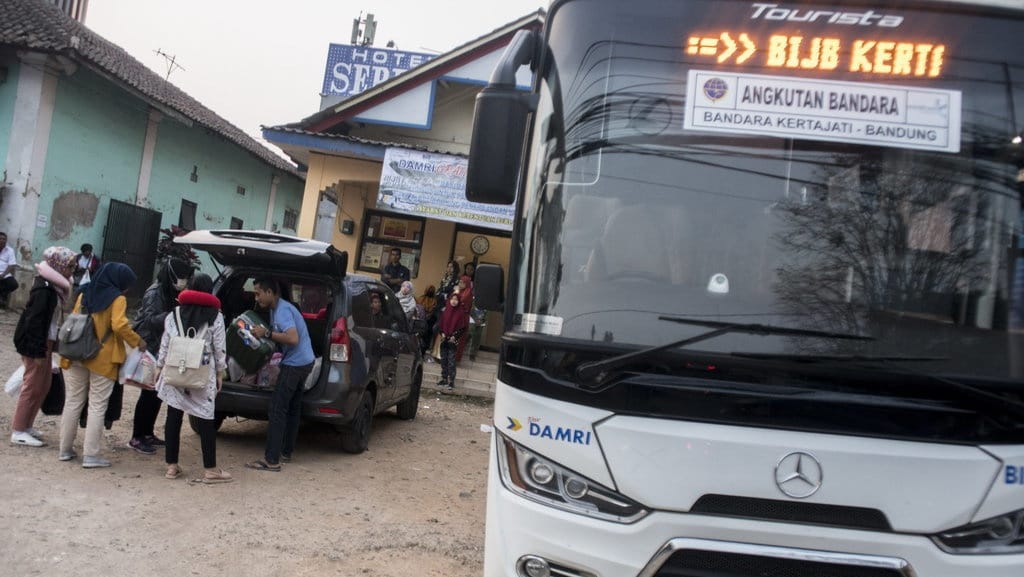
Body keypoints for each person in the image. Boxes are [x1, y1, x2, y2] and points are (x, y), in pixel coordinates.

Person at [59, 262, 145, 468]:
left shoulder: (84, 292)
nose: (126, 289)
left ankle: (65, 449)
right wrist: (137, 341)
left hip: (77, 352)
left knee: (72, 402)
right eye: (126, 284)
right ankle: (91, 455)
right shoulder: (117, 298)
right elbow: (119, 325)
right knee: (97, 405)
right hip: (102, 357)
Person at [156, 274, 231, 483]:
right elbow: (220, 348)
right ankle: (211, 470)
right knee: (206, 418)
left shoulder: (175, 313)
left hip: (176, 370)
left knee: (173, 413)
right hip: (202, 373)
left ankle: (171, 466)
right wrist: (220, 373)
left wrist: (159, 366)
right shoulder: (216, 316)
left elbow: (166, 342)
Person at [245, 276, 315, 472]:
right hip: (305, 361)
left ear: (270, 292)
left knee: (277, 409)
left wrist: (266, 334)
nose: (256, 298)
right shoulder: (279, 309)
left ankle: (271, 460)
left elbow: (292, 338)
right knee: (292, 408)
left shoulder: (282, 310)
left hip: (295, 364)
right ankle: (286, 452)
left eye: (258, 293)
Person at [10, 246, 77, 446]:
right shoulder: (45, 289)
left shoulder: (54, 286)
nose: (72, 270)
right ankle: (19, 430)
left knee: (43, 385)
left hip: (44, 341)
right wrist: (37, 351)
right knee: (32, 386)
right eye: (70, 266)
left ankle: (27, 426)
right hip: (36, 342)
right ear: (58, 264)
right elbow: (35, 321)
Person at [128, 257, 193, 455]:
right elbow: (149, 320)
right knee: (147, 393)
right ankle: (137, 437)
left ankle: (148, 433)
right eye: (181, 277)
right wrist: (174, 315)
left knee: (157, 392)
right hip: (149, 346)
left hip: (161, 347)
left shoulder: (170, 292)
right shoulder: (154, 292)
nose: (183, 282)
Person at [437, 293, 469, 391]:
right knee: (443, 360)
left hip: (452, 341)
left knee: (451, 361)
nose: (454, 301)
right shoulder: (446, 311)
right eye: (452, 299)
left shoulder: (460, 313)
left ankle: (451, 381)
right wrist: (442, 333)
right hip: (444, 339)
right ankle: (444, 378)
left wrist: (455, 336)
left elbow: (463, 328)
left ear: (459, 301)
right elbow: (440, 325)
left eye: (456, 299)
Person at [454, 274, 475, 363]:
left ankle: (455, 358)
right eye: (459, 282)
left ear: (466, 283)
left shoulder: (468, 292)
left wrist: (456, 292)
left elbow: (459, 301)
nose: (460, 284)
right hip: (456, 316)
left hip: (462, 318)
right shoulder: (461, 291)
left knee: (459, 338)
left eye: (462, 282)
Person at [0, 232, 19, 309]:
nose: (2, 240)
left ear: (6, 240)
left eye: (4, 239)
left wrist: (3, 275)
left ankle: (2, 295)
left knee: (14, 284)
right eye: (0, 239)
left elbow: (12, 264)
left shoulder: (10, 250)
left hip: (4, 274)